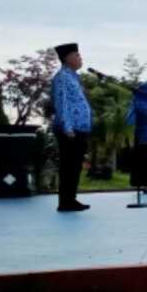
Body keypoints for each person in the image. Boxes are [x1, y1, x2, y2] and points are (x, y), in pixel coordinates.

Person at [50, 42, 92, 212]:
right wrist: (67, 127)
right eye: (77, 55)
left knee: (75, 166)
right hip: (70, 130)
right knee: (69, 167)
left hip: (79, 129)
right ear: (67, 58)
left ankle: (71, 199)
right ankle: (65, 202)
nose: (80, 58)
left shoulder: (74, 77)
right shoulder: (62, 77)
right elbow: (62, 102)